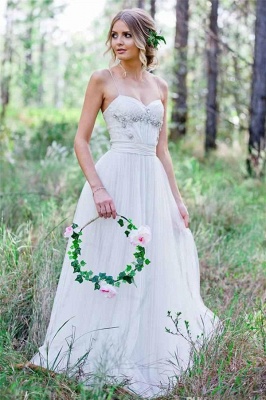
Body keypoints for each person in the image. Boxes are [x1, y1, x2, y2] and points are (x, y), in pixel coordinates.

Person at [29, 8, 220, 398]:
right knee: (111, 262)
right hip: (114, 179)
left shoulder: (161, 87)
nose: (118, 42)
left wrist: (177, 199)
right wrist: (98, 188)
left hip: (151, 183)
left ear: (144, 41)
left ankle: (146, 348)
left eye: (127, 35)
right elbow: (80, 140)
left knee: (153, 266)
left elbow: (162, 150)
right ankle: (96, 346)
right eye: (114, 35)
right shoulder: (102, 80)